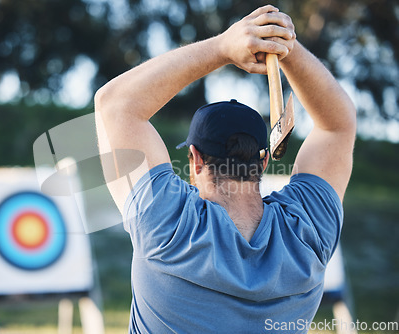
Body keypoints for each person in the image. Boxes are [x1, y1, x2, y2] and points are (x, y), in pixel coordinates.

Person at [94, 5, 356, 333]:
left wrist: (222, 47)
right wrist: (284, 44)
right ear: (262, 162)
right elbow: (338, 125)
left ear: (196, 159)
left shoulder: (168, 223)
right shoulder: (308, 232)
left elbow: (114, 104)